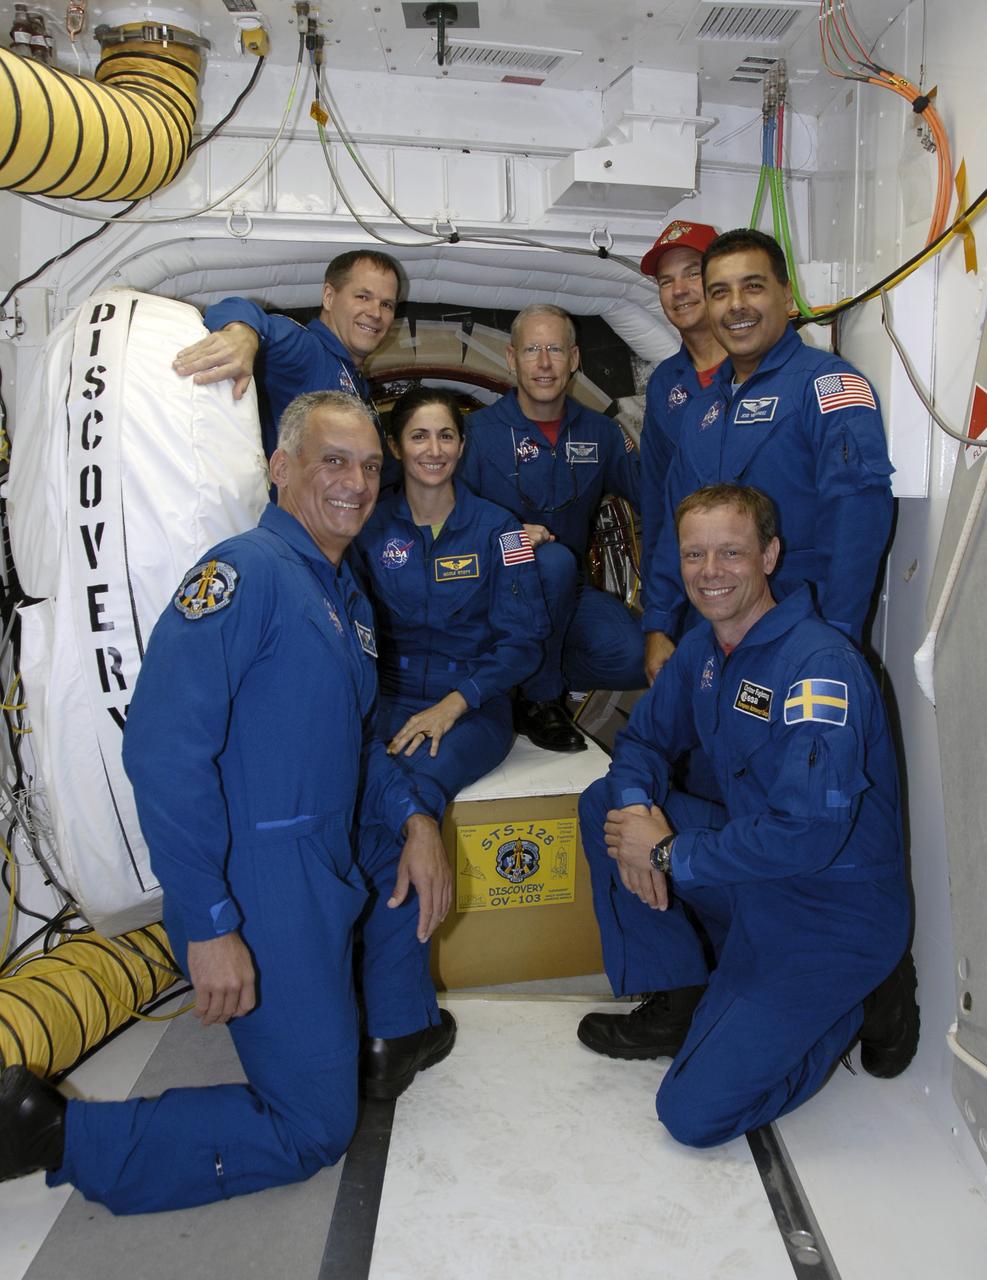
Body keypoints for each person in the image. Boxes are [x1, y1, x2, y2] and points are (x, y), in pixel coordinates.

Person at [0, 392, 456, 1213]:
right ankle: (56, 1138)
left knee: (410, 863)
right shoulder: (242, 575)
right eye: (333, 461)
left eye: (368, 466)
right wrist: (212, 924)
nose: (355, 482)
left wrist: (415, 818)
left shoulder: (341, 591)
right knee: (314, 1127)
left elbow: (356, 741)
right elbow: (163, 754)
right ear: (281, 470)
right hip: (261, 881)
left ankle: (389, 1033)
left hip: (326, 847)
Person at [576, 483, 918, 1148]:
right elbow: (641, 743)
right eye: (695, 554)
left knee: (691, 1114)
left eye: (730, 553)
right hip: (756, 880)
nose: (710, 572)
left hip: (831, 912)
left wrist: (668, 855)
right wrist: (634, 814)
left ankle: (856, 1002)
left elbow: (809, 834)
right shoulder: (705, 653)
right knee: (604, 807)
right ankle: (676, 992)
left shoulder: (818, 667)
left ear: (769, 555)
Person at [642, 229, 894, 681]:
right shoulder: (702, 409)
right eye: (720, 292)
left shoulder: (827, 386)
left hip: (802, 628)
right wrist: (660, 622)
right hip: (715, 635)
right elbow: (672, 525)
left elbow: (857, 523)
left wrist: (837, 637)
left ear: (786, 294)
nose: (735, 304)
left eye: (752, 286)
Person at [351, 386, 550, 817]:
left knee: (413, 790)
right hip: (387, 699)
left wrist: (453, 705)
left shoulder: (503, 530)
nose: (434, 449)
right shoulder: (369, 529)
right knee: (348, 779)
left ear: (462, 444)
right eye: (419, 436)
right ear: (396, 447)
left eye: (446, 435)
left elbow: (523, 644)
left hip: (473, 707)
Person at [461, 303, 644, 753]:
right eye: (532, 350)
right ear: (510, 358)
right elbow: (446, 521)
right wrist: (503, 537)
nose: (544, 364)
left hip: (570, 593)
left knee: (634, 657)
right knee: (550, 560)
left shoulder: (601, 433)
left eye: (556, 350)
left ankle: (518, 683)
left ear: (575, 359)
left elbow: (653, 498)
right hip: (491, 595)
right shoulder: (476, 434)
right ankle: (543, 698)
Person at [172, 249, 402, 485]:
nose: (375, 313)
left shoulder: (356, 384)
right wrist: (242, 334)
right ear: (329, 297)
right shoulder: (307, 348)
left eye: (386, 304)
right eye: (363, 297)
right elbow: (239, 310)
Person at [638, 220, 727, 685]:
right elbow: (658, 508)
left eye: (692, 273)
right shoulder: (665, 386)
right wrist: (658, 619)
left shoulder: (763, 371)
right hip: (692, 592)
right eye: (665, 281)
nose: (679, 290)